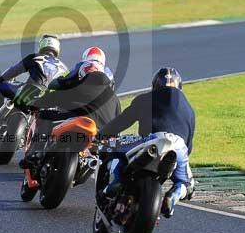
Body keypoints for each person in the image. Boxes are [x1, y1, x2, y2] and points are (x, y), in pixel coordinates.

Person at [99, 67, 196, 218]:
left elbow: (122, 122)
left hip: (152, 139)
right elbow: (188, 147)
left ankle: (116, 180)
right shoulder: (189, 110)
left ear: (155, 85)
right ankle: (174, 195)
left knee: (114, 147)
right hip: (178, 146)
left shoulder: (146, 98)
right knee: (187, 184)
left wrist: (102, 135)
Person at [21, 61, 121, 169]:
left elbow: (52, 98)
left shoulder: (79, 85)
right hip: (101, 134)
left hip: (79, 120)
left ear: (82, 75)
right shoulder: (114, 97)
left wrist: (33, 104)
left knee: (43, 116)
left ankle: (36, 154)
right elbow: (118, 122)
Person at [0, 34, 68, 132]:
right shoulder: (64, 68)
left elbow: (14, 71)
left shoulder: (35, 57)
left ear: (42, 45)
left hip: (30, 90)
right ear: (57, 48)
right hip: (50, 101)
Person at [51, 46, 115, 91]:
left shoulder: (80, 66)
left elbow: (62, 82)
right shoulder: (109, 73)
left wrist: (55, 82)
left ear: (85, 57)